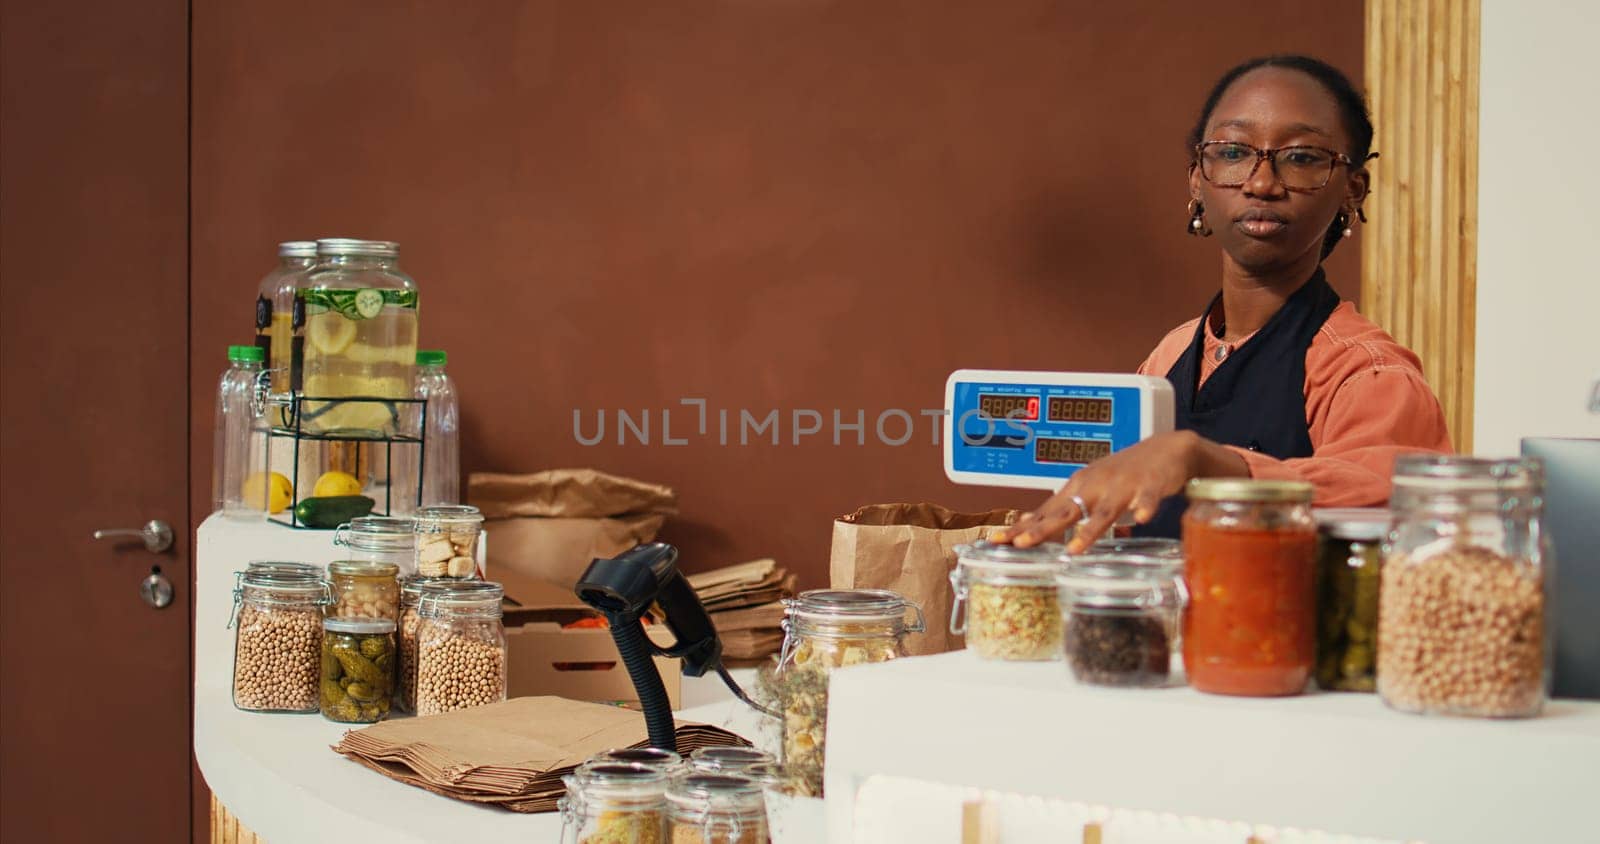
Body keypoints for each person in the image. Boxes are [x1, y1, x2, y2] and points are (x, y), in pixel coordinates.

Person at [996, 55, 1452, 552]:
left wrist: (1209, 462)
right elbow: (1129, 519)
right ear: (1197, 179)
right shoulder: (1169, 355)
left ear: (1352, 189)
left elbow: (1401, 504)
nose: (1261, 183)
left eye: (1301, 157)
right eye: (1233, 152)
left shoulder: (1365, 371)